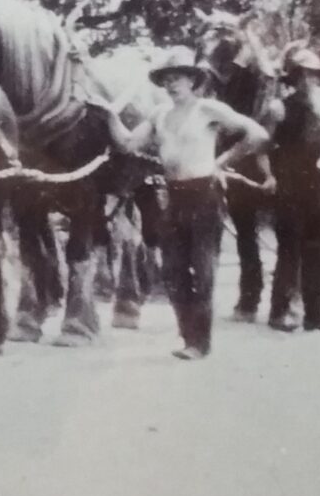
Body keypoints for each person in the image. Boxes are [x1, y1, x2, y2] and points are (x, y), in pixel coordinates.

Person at [91, 48, 269, 360]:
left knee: (202, 271)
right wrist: (109, 115)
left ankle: (199, 343)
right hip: (173, 196)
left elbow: (256, 133)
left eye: (178, 78)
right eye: (167, 79)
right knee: (173, 271)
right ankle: (189, 337)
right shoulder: (160, 114)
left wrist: (222, 162)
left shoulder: (207, 109)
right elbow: (129, 143)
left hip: (204, 194)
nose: (172, 85)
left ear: (192, 81)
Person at [266, 49, 320, 335]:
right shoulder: (280, 108)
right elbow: (264, 147)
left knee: (318, 253)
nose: (307, 80)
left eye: (312, 75)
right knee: (288, 252)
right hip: (290, 189)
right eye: (301, 75)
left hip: (319, 190)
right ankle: (280, 312)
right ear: (293, 78)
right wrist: (269, 176)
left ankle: (316, 316)